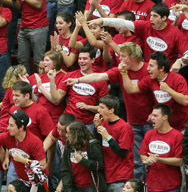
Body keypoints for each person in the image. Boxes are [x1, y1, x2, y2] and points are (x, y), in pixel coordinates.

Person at [65, 42, 154, 181]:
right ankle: (138, 189)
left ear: (134, 57)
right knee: (136, 159)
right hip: (133, 120)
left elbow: (132, 89)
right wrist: (77, 80)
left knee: (152, 157)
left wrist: (123, 72)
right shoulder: (120, 69)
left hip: (152, 121)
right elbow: (98, 76)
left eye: (123, 56)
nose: (120, 59)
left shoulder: (149, 69)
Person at [140, 105, 184, 192]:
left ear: (165, 117)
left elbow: (179, 161)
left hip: (171, 186)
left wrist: (159, 159)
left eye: (155, 115)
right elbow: (142, 155)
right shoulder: (149, 134)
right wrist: (147, 160)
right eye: (152, 115)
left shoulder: (177, 135)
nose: (152, 118)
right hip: (152, 185)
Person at [120, 51, 188, 132]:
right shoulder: (150, 80)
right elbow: (130, 89)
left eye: (151, 66)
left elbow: (185, 101)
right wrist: (124, 72)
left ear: (161, 68)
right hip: (165, 126)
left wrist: (168, 90)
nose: (148, 68)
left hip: (183, 126)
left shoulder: (177, 79)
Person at [49, 46, 109, 129]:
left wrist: (88, 107)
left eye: (84, 58)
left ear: (93, 60)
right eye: (80, 59)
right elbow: (56, 98)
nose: (81, 61)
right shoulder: (70, 76)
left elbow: (105, 108)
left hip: (87, 124)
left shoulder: (100, 80)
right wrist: (52, 81)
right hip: (68, 122)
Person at [94, 95, 134, 192]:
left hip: (120, 176)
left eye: (102, 108)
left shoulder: (124, 127)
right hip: (107, 175)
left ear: (111, 110)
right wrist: (97, 127)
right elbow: (98, 145)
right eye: (99, 107)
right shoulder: (104, 124)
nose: (98, 110)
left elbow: (123, 152)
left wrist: (108, 137)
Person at [13, 0, 48, 72]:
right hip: (24, 26)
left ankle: (42, 87)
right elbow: (19, 7)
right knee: (22, 60)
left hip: (38, 27)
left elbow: (38, 4)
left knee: (39, 61)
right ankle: (25, 86)